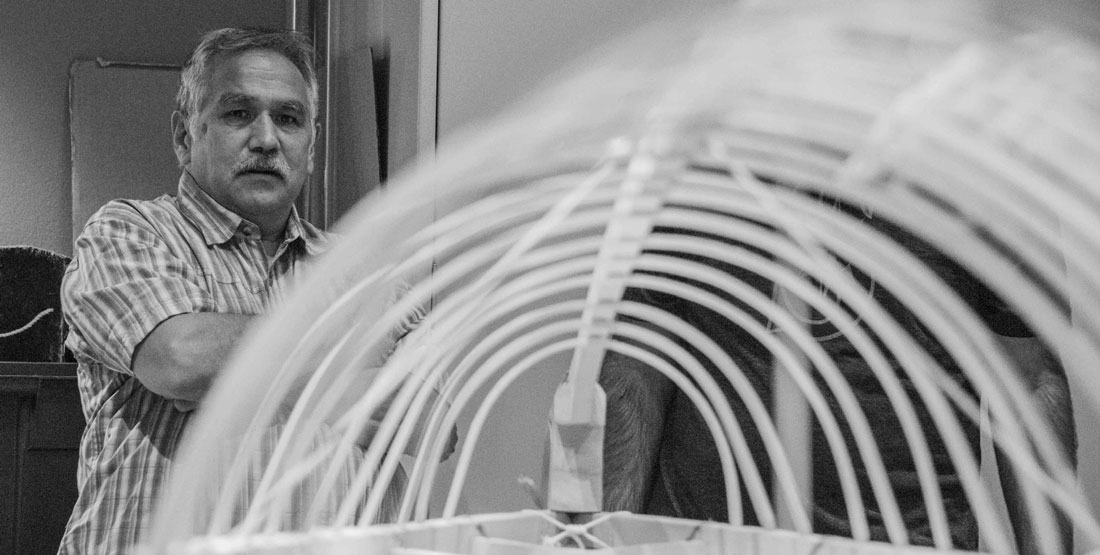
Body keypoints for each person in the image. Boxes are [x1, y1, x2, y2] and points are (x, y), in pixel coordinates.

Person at [598, 193, 1076, 555]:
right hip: (698, 539)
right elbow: (637, 360)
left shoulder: (980, 149)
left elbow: (1027, 384)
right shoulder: (701, 133)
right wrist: (595, 541)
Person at [57, 28, 328, 555]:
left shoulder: (360, 264)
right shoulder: (127, 234)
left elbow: (430, 421)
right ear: (185, 136)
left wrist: (228, 383)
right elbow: (181, 360)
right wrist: (346, 341)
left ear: (311, 147)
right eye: (238, 114)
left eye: (289, 119)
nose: (267, 139)